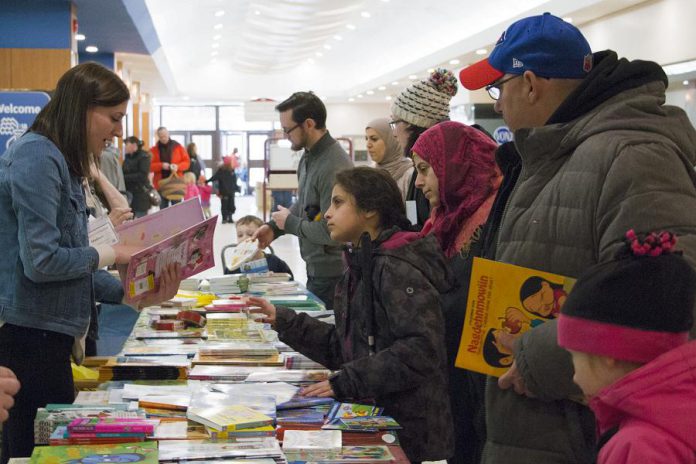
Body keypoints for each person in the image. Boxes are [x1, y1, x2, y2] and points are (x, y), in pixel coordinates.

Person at [458, 12, 696, 463]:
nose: (499, 104)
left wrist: (538, 356)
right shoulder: (549, 155)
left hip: (581, 436)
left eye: (498, 88)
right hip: (531, 428)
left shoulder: (632, 155)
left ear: (530, 84)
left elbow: (676, 300)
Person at [248, 167, 455, 463]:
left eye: (338, 203)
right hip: (377, 418)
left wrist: (345, 381)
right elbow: (346, 347)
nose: (327, 214)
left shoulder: (396, 266)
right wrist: (285, 320)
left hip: (405, 430)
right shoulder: (360, 261)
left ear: (369, 209)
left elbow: (421, 350)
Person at [0, 62, 143, 461]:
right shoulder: (36, 158)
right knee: (34, 452)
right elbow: (43, 263)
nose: (118, 131)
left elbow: (76, 269)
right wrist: (113, 254)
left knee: (50, 448)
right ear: (83, 108)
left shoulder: (61, 160)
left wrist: (133, 292)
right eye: (113, 118)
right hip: (28, 340)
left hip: (51, 337)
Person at [558, 230, 696, 463]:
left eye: (574, 357)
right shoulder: (677, 416)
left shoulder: (638, 445)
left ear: (608, 355)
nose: (575, 377)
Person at [411, 121, 501, 464]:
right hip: (453, 372)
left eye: (424, 170)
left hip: (481, 378)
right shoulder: (448, 217)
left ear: (455, 166)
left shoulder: (492, 218)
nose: (418, 182)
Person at [252, 91, 353, 309]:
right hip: (317, 271)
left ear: (308, 124)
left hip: (333, 275)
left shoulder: (333, 166)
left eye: (288, 129)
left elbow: (334, 233)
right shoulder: (309, 156)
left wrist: (289, 223)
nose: (285, 135)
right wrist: (274, 228)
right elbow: (307, 206)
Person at [390, 68, 458, 228]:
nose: (393, 134)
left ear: (413, 124)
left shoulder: (446, 172)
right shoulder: (418, 170)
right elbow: (413, 220)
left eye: (394, 123)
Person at [224, 215, 293, 278]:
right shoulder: (234, 265)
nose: (244, 239)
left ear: (262, 237)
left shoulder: (275, 262)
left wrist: (276, 278)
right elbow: (225, 285)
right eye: (240, 235)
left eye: (250, 234)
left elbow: (290, 280)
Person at [365, 118, 411, 201]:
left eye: (374, 139)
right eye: (366, 139)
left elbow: (413, 211)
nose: (368, 145)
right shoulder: (368, 173)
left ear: (391, 140)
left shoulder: (409, 175)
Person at [150, 126, 190, 208]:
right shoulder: (153, 150)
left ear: (168, 134)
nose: (163, 138)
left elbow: (187, 163)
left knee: (176, 209)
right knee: (163, 210)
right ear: (158, 136)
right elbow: (149, 166)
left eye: (165, 136)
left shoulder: (178, 147)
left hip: (176, 183)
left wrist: (177, 166)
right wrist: (161, 165)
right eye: (161, 137)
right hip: (161, 184)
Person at [122, 136, 152, 218]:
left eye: (127, 144)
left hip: (141, 194)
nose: (125, 147)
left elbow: (142, 176)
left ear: (134, 145)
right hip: (130, 194)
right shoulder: (127, 157)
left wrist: (124, 177)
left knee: (142, 223)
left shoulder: (144, 156)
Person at [207, 156, 239, 223]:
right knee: (225, 205)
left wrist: (236, 187)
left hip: (230, 192)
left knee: (230, 205)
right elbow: (215, 177)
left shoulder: (231, 170)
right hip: (224, 192)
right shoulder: (221, 170)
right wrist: (207, 181)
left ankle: (229, 218)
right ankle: (225, 219)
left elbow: (234, 180)